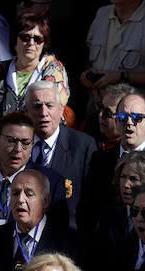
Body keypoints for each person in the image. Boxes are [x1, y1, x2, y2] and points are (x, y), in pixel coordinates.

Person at [82, 0, 145, 135]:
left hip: (132, 123)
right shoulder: (102, 14)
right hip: (97, 112)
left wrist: (122, 77)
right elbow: (89, 55)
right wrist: (87, 74)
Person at [0, 13, 68, 130]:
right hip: (3, 141)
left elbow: (53, 110)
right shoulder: (0, 69)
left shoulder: (54, 70)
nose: (31, 43)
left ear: (43, 44)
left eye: (37, 39)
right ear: (15, 41)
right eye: (25, 38)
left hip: (39, 140)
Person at [88, 90, 145, 209]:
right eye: (122, 117)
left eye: (137, 117)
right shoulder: (100, 160)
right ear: (116, 122)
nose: (129, 122)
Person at [25, 81, 94, 231]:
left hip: (67, 235)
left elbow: (91, 204)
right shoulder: (17, 144)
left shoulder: (84, 146)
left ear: (61, 109)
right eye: (37, 106)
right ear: (26, 111)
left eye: (50, 105)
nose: (44, 113)